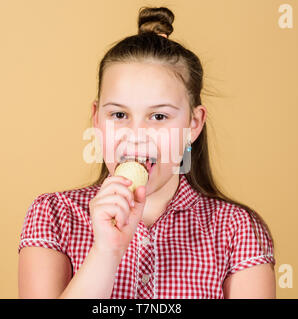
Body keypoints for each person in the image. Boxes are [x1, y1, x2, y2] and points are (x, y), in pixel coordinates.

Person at [18, 6, 276, 299]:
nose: (136, 136)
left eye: (159, 117)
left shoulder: (236, 229)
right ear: (96, 118)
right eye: (118, 115)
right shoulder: (54, 216)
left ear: (193, 124)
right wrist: (106, 252)